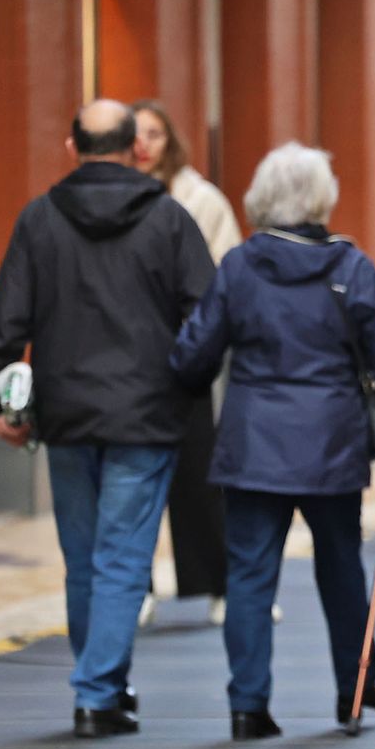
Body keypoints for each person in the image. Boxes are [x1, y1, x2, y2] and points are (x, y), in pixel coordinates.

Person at [0, 99, 215, 739]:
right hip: (146, 413)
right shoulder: (169, 219)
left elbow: (6, 320)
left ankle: (100, 682)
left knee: (83, 558)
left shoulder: (40, 219)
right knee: (123, 556)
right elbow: (210, 316)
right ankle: (98, 691)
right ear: (136, 148)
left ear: (72, 148)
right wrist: (184, 384)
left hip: (67, 414)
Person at [171, 143, 375, 741]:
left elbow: (194, 354)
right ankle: (354, 687)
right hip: (331, 440)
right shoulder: (350, 267)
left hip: (253, 442)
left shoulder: (239, 266)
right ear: (320, 199)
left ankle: (247, 704)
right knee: (341, 567)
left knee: (250, 574)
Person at [130, 99, 253, 629]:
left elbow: (227, 274)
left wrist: (203, 340)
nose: (143, 144)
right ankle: (135, 586)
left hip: (189, 355)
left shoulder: (201, 200)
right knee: (130, 478)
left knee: (199, 473)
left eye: (154, 133)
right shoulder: (110, 198)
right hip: (128, 360)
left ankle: (219, 584)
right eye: (135, 134)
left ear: (171, 140)